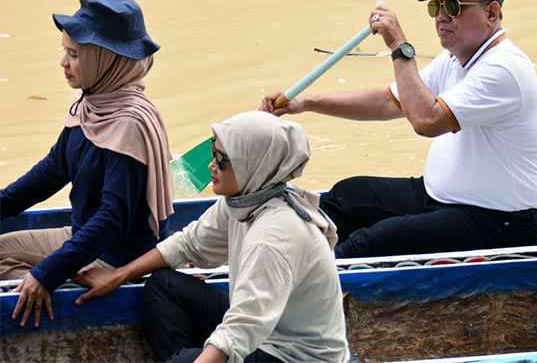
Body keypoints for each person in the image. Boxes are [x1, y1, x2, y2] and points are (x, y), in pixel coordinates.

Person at [260, 0, 537, 258]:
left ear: (491, 13)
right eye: (437, 7)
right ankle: (288, 255)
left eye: (453, 6)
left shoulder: (503, 69)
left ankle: (305, 275)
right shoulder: (454, 58)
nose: (441, 17)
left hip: (500, 221)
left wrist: (400, 45)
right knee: (347, 196)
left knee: (372, 242)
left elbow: (426, 120)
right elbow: (391, 101)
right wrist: (307, 103)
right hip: (440, 196)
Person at [75, 111, 349, 363]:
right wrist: (119, 275)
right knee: (163, 285)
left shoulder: (273, 236)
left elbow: (243, 326)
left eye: (222, 160)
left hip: (295, 356)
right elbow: (187, 243)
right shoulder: (246, 199)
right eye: (212, 152)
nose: (210, 166)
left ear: (251, 165)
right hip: (265, 330)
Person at [0, 0, 174, 328]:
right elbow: (49, 173)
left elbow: (111, 219)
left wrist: (47, 274)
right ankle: (61, 277)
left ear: (105, 61)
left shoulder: (129, 124)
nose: (64, 64)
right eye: (65, 52)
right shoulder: (92, 105)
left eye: (75, 55)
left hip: (118, 255)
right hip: (83, 235)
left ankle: (58, 286)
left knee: (35, 278)